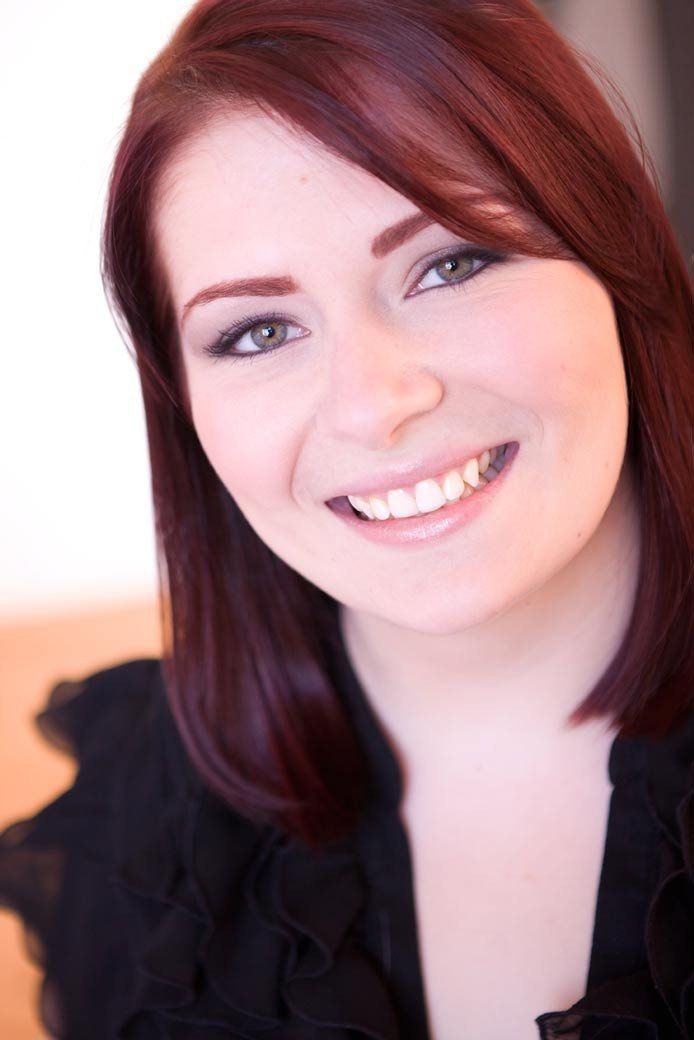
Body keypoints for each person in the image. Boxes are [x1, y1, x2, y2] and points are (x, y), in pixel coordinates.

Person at [1, 0, 692, 1037]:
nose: (374, 404)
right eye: (257, 330)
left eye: (451, 262)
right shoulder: (139, 831)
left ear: (613, 252)